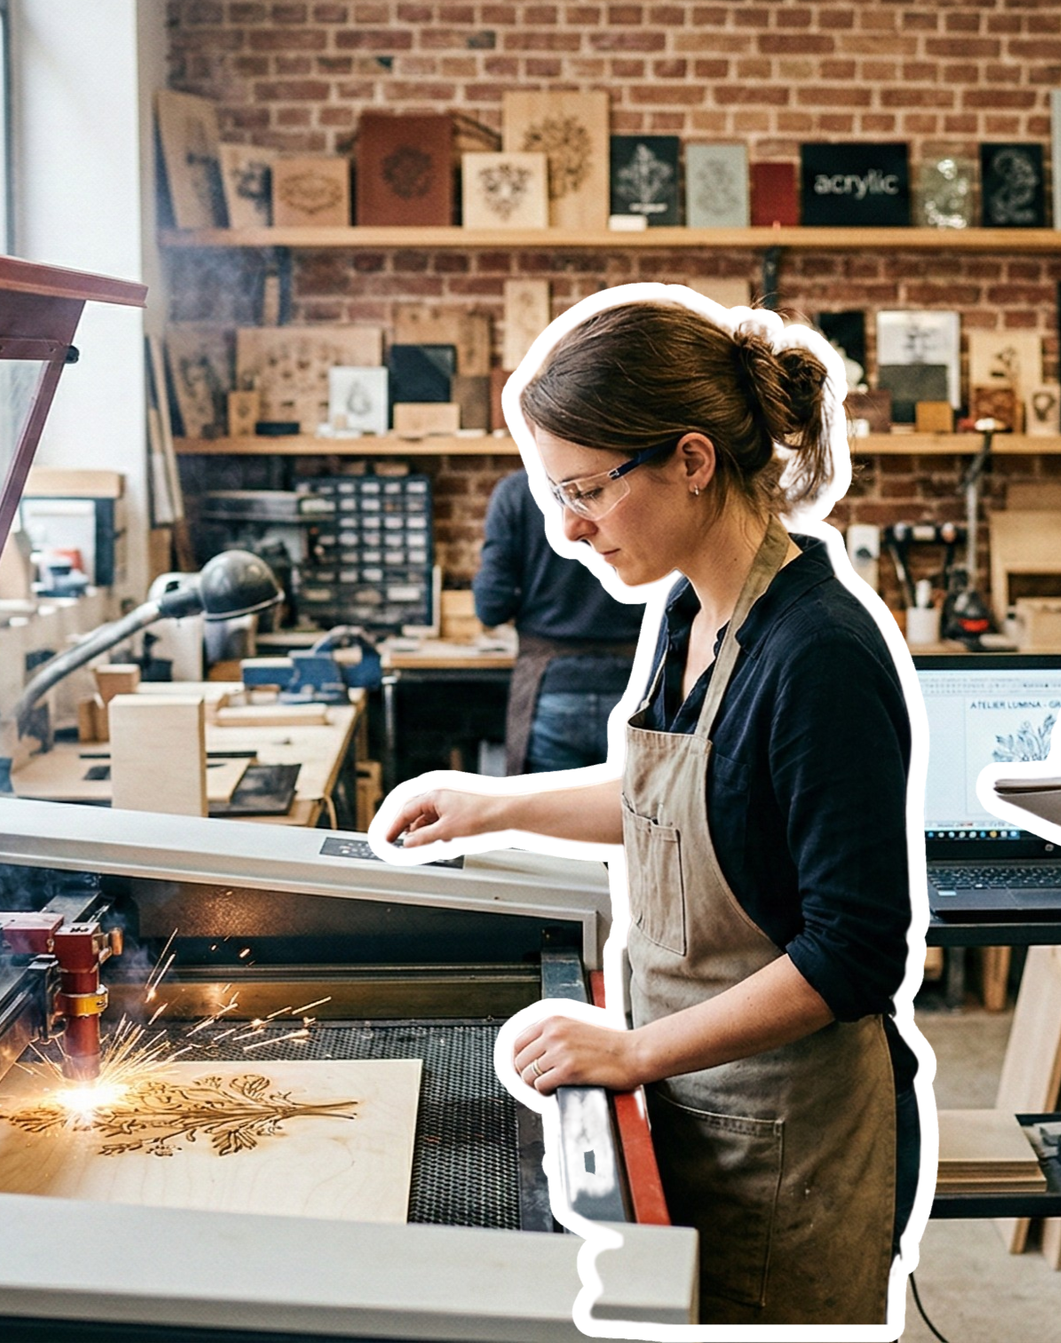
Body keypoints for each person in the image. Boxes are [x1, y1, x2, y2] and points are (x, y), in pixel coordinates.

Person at [380, 293, 918, 1326]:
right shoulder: (692, 607)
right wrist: (492, 804)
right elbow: (675, 802)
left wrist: (628, 1051)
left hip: (785, 1134)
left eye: (585, 489)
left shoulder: (817, 656)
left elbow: (852, 953)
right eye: (554, 493)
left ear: (690, 459)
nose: (568, 527)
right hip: (699, 1093)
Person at [472, 468, 645, 773]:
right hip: (633, 687)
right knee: (633, 817)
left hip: (551, 688)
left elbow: (491, 606)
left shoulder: (515, 492)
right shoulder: (633, 484)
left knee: (542, 819)